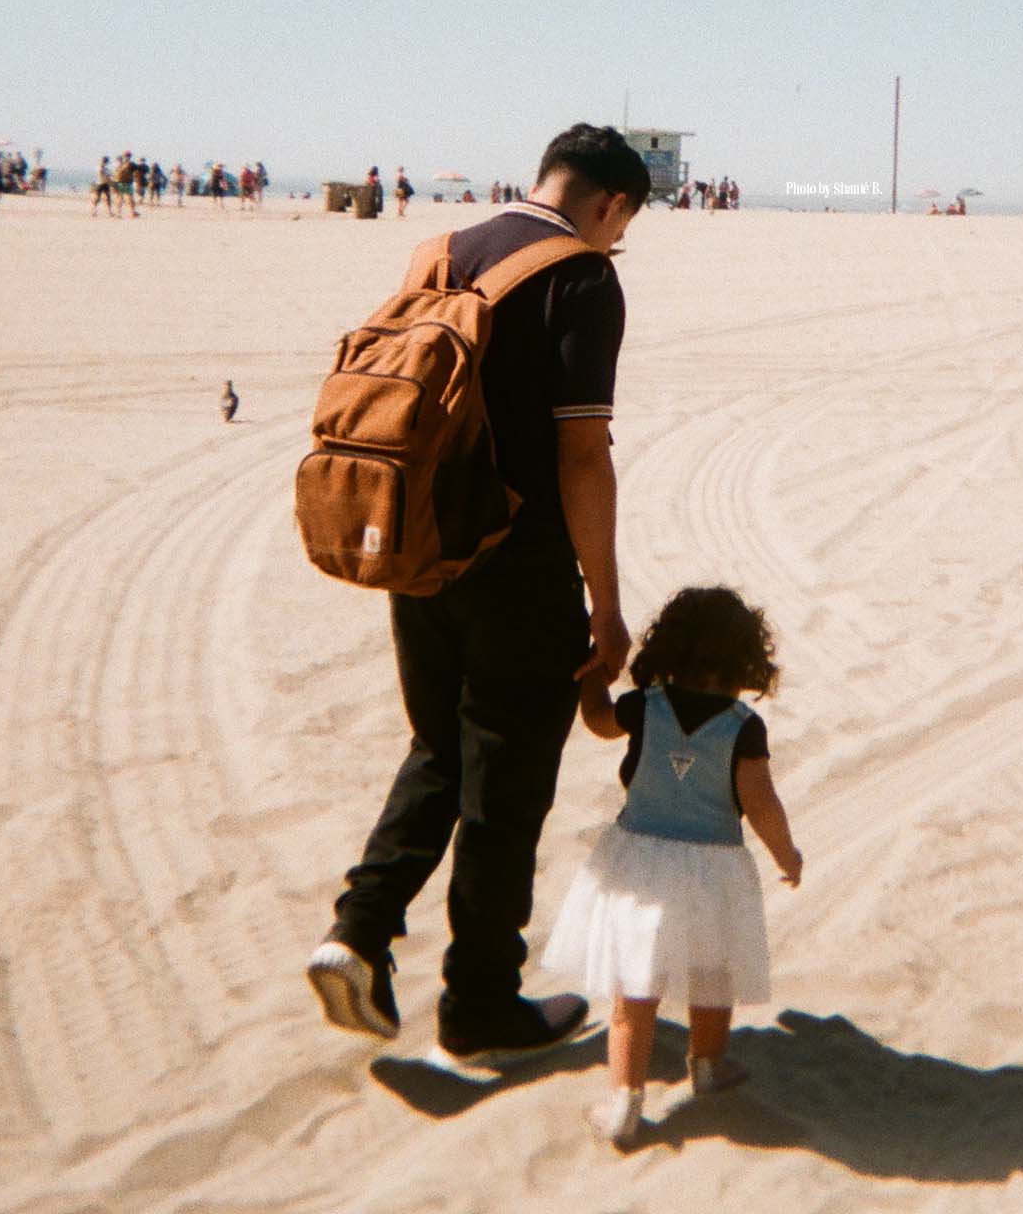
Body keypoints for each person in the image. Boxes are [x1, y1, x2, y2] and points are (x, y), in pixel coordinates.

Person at [306, 124, 651, 1065]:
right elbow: (582, 452)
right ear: (611, 203)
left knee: (437, 749)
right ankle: (480, 1005)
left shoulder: (440, 252)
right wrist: (607, 606)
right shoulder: (581, 276)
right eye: (621, 224)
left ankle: (357, 931)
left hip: (419, 541)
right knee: (505, 784)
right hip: (519, 563)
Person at [544, 586, 803, 1146]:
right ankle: (708, 1065)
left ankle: (624, 1101)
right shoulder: (743, 725)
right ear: (745, 659)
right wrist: (788, 855)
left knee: (633, 994)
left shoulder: (645, 707)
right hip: (714, 867)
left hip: (640, 862)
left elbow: (597, 721)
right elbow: (761, 803)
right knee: (714, 972)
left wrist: (594, 672)